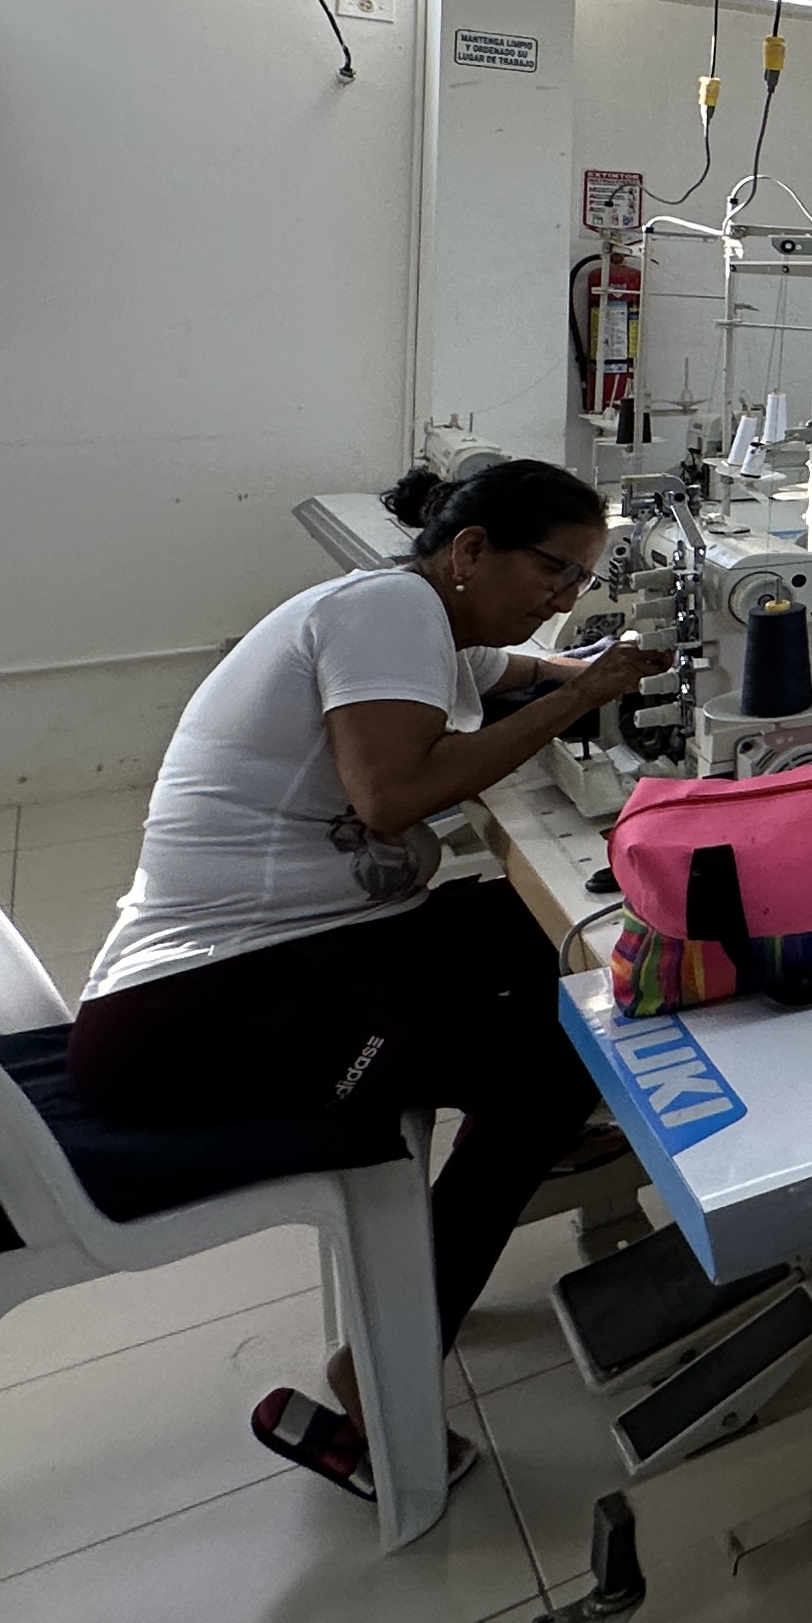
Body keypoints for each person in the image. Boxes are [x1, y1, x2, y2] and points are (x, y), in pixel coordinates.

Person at [69, 460, 664, 1498]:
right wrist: (586, 695)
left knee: (542, 929)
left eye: (582, 579)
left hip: (305, 943)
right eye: (554, 571)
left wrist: (595, 666)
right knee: (543, 1065)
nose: (565, 597)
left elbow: (520, 672)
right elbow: (393, 798)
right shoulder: (387, 612)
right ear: (469, 550)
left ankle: (530, 1150)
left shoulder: (424, 622)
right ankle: (383, 1363)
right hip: (194, 1010)